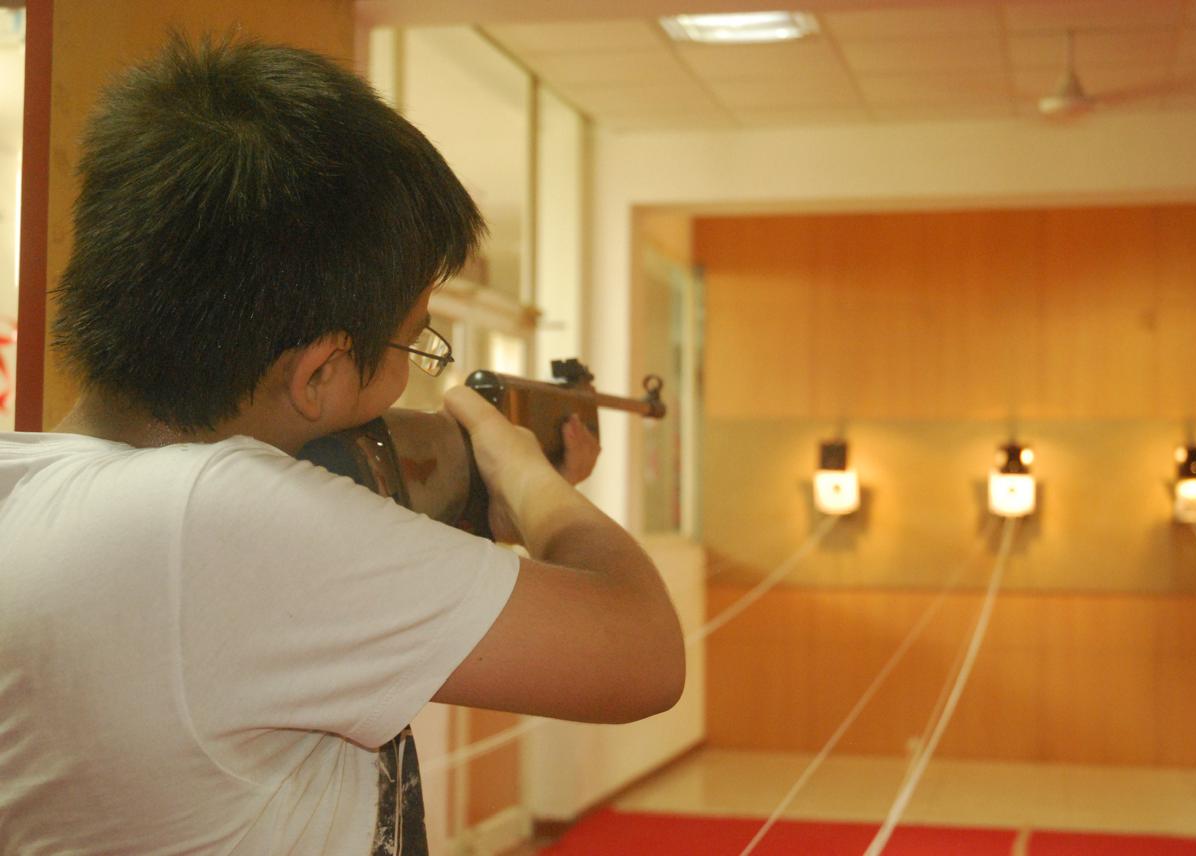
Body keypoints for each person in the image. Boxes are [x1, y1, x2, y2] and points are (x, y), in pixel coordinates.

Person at [0, 35, 684, 855]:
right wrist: (529, 478)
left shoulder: (28, 483)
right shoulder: (217, 518)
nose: (409, 370)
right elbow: (644, 653)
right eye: (413, 340)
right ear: (320, 372)